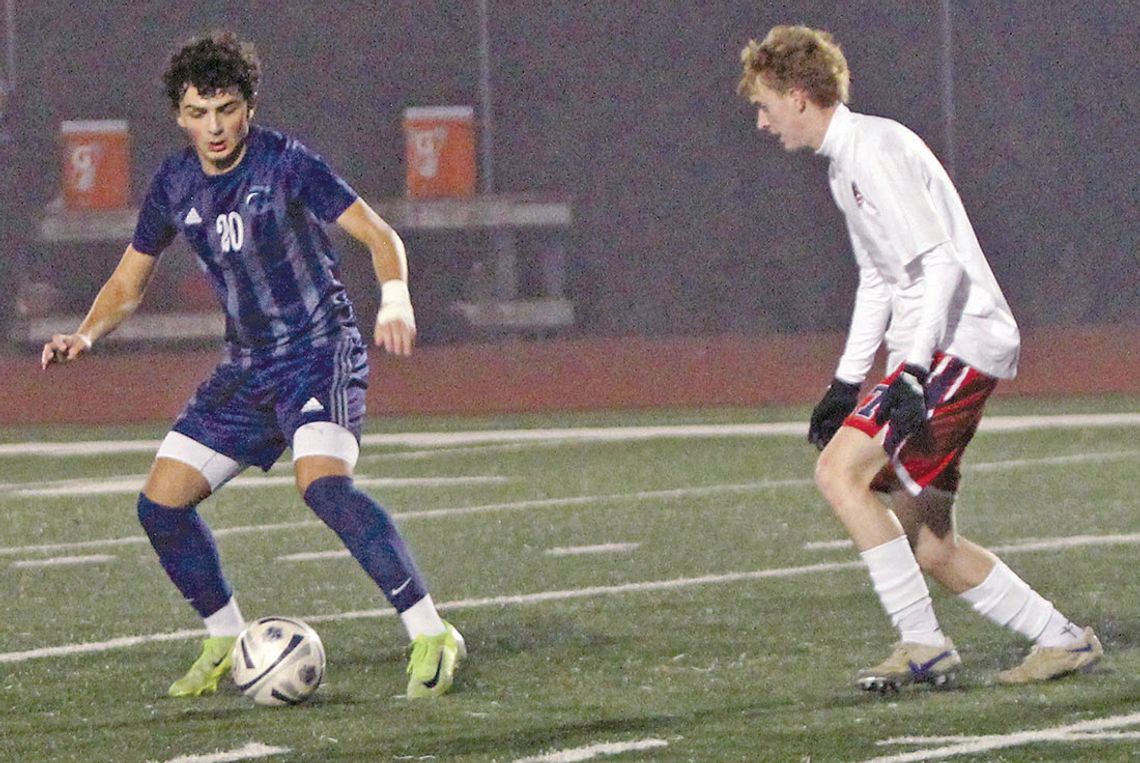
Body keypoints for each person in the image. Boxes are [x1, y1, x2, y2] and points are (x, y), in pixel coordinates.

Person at [41, 30, 464, 700]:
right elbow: (128, 282)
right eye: (199, 112)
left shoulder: (286, 163)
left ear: (249, 106)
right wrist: (86, 334)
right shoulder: (174, 183)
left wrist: (396, 299)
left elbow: (381, 236)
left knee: (324, 485)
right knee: (160, 507)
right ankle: (223, 636)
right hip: (246, 370)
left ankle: (430, 631)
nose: (215, 126)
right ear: (179, 116)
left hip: (318, 352)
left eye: (227, 108)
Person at [738, 25, 1102, 692]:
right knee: (930, 543)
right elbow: (879, 279)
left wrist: (909, 370)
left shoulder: (873, 153)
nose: (762, 122)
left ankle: (923, 643)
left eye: (764, 104)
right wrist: (847, 381)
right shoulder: (848, 165)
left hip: (957, 342)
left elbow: (937, 267)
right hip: (942, 346)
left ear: (797, 97)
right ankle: (1061, 638)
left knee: (840, 473)